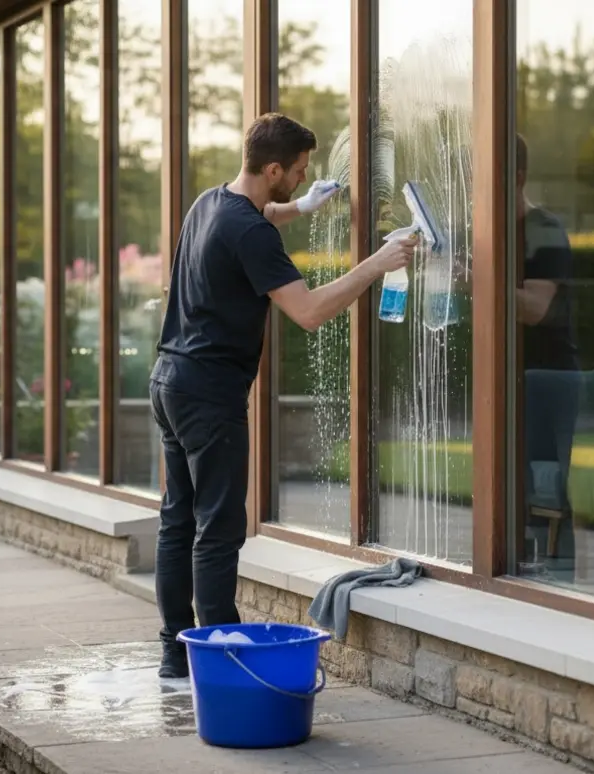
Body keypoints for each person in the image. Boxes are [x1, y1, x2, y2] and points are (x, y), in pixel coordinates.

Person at [148, 112, 417, 678]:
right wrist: (378, 263)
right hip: (209, 394)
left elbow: (258, 215)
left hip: (169, 381)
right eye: (296, 173)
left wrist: (301, 209)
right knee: (218, 530)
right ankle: (223, 661)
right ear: (272, 168)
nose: (300, 179)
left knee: (178, 520)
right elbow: (310, 312)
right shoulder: (252, 233)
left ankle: (176, 651)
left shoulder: (211, 203)